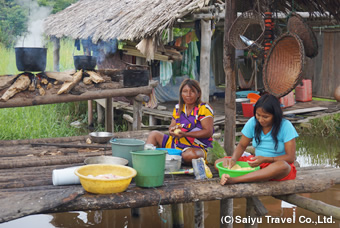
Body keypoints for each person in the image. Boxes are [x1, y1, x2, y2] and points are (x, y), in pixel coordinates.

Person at [215, 94, 298, 185]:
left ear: (275, 115)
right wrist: (233, 160)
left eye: (265, 117)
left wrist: (265, 159)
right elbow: (242, 145)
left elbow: (290, 158)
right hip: (256, 163)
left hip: (275, 165)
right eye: (258, 115)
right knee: (219, 162)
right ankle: (256, 176)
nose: (260, 119)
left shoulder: (286, 126)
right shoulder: (253, 122)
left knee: (282, 166)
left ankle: (235, 180)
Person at [146, 79, 214, 165]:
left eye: (192, 91)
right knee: (154, 134)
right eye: (185, 91)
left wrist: (186, 134)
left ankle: (170, 159)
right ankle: (148, 160)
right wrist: (172, 130)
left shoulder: (204, 108)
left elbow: (208, 132)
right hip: (175, 145)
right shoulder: (178, 108)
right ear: (181, 94)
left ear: (198, 94)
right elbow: (172, 126)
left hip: (196, 147)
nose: (188, 94)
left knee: (190, 155)